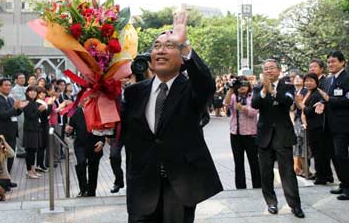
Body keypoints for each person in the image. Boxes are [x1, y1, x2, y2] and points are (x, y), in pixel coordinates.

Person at [121, 11, 223, 223]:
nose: (160, 51)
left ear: (181, 58)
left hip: (179, 186)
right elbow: (124, 133)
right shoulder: (134, 93)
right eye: (156, 46)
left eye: (169, 46)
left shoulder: (192, 89)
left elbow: (205, 82)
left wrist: (184, 44)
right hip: (142, 186)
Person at [252, 59, 305, 218]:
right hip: (264, 136)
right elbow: (255, 104)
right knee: (266, 172)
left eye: (271, 68)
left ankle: (295, 205)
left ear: (279, 70)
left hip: (283, 135)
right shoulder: (257, 87)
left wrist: (273, 91)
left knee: (287, 172)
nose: (268, 71)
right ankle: (271, 203)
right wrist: (264, 91)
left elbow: (287, 101)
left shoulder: (287, 86)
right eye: (265, 69)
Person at [316, 50, 349, 200]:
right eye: (328, 62)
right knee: (334, 156)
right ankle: (343, 182)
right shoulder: (328, 80)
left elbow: (345, 101)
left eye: (333, 61)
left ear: (342, 62)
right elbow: (326, 98)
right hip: (328, 124)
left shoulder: (347, 78)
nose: (330, 64)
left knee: (342, 155)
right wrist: (321, 103)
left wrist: (329, 100)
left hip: (342, 125)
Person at [224, 76, 261, 189]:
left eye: (244, 84)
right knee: (238, 163)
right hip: (235, 134)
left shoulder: (253, 96)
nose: (242, 87)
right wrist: (230, 89)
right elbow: (226, 103)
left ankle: (258, 186)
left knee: (254, 162)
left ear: (249, 86)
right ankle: (240, 188)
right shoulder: (234, 96)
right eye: (239, 85)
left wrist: (243, 109)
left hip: (251, 134)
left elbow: (254, 112)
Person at [298, 73, 333, 185]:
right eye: (306, 81)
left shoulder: (317, 94)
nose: (308, 83)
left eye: (311, 81)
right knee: (319, 152)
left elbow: (310, 111)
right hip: (312, 126)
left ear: (316, 82)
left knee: (319, 153)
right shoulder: (309, 93)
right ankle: (326, 175)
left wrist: (301, 105)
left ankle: (321, 177)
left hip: (317, 127)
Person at [66, 106, 105, 197]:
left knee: (93, 168)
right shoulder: (76, 112)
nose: (86, 99)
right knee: (81, 163)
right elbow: (71, 129)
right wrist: (68, 131)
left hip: (95, 144)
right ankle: (83, 189)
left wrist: (102, 142)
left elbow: (105, 128)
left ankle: (91, 191)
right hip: (80, 145)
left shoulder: (98, 110)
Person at [0, 78, 28, 173]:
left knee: (11, 156)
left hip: (12, 133)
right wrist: (15, 108)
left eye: (9, 85)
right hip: (3, 134)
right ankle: (2, 181)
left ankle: (8, 179)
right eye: (5, 85)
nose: (8, 87)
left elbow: (15, 113)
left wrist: (20, 108)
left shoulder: (10, 99)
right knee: (2, 158)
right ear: (0, 87)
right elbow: (3, 115)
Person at [23, 86, 46, 178]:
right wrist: (39, 110)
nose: (33, 93)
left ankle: (33, 169)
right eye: (31, 91)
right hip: (29, 130)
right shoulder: (26, 103)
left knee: (34, 150)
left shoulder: (34, 103)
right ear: (27, 93)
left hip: (36, 129)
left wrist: (42, 110)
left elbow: (38, 116)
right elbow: (31, 116)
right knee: (30, 151)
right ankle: (29, 171)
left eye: (34, 91)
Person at [10, 73, 27, 158]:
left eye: (23, 78)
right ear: (16, 80)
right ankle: (20, 150)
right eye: (20, 78)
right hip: (19, 112)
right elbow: (21, 100)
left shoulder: (25, 88)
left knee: (24, 130)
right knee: (20, 130)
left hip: (25, 112)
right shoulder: (14, 89)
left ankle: (23, 148)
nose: (22, 79)